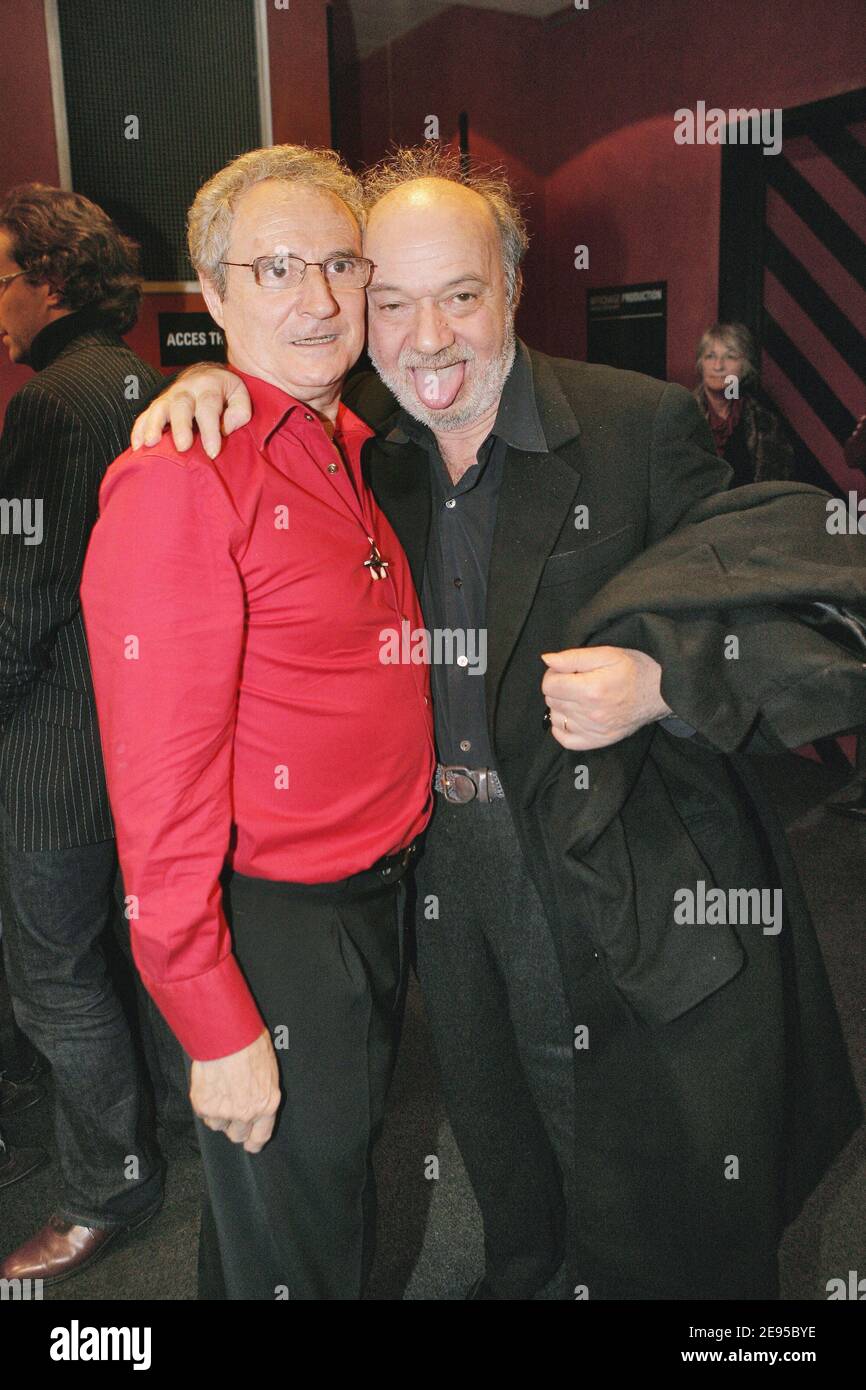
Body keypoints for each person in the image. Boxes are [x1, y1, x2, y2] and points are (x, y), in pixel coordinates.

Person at [132, 144, 865, 1301]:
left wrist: (664, 680)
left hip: (617, 864)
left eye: (460, 295)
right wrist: (200, 381)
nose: (428, 339)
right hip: (447, 879)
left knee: (652, 1179)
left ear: (512, 288)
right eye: (391, 301)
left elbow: (794, 606)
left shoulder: (636, 427)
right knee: (502, 1144)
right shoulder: (364, 451)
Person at [81, 146, 435, 1301]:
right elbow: (158, 783)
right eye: (276, 266)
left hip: (369, 901)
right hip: (273, 926)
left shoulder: (351, 444)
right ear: (213, 292)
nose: (318, 299)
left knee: (291, 1219)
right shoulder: (184, 474)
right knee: (308, 1240)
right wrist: (214, 1015)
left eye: (340, 262)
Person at [0, 185, 166, 1283]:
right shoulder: (140, 379)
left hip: (57, 746)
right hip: (134, 731)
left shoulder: (56, 401)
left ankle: (104, 1190)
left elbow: (24, 593)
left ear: (50, 278)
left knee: (54, 975)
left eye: (4, 274)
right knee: (125, 956)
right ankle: (156, 1142)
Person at [693, 321, 795, 485]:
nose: (718, 366)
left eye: (730, 357)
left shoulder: (765, 422)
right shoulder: (680, 414)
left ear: (745, 367)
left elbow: (776, 486)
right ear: (701, 364)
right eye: (710, 356)